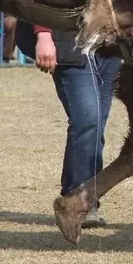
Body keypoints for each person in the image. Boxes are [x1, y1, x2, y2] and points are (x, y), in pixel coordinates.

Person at [33, 23, 120, 228]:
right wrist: (43, 34)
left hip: (108, 47)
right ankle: (80, 201)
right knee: (88, 119)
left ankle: (78, 198)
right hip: (70, 42)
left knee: (95, 124)